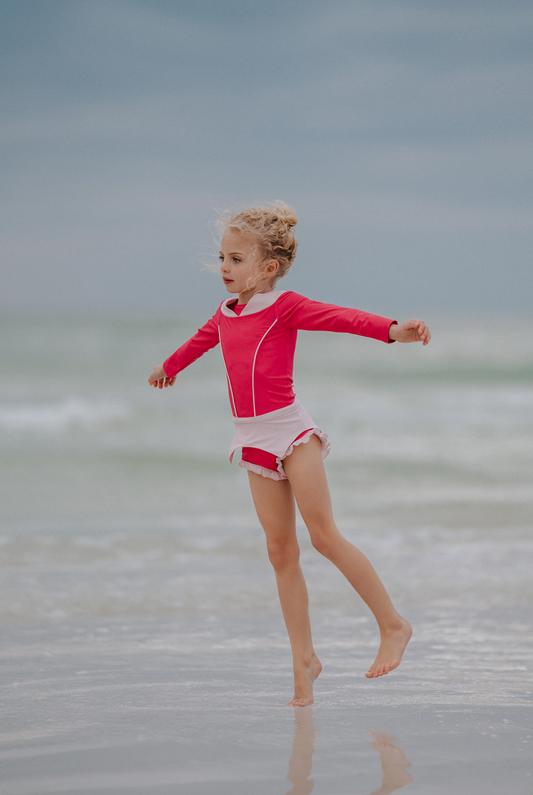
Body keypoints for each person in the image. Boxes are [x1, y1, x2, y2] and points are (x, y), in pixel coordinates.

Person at [148, 201, 431, 707]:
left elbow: (341, 318)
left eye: (236, 259)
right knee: (280, 550)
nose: (224, 267)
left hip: (292, 433)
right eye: (222, 257)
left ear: (268, 268)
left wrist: (393, 330)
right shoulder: (224, 314)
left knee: (323, 536)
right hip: (252, 438)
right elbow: (199, 343)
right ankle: (304, 661)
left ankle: (393, 624)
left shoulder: (285, 307)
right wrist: (168, 367)